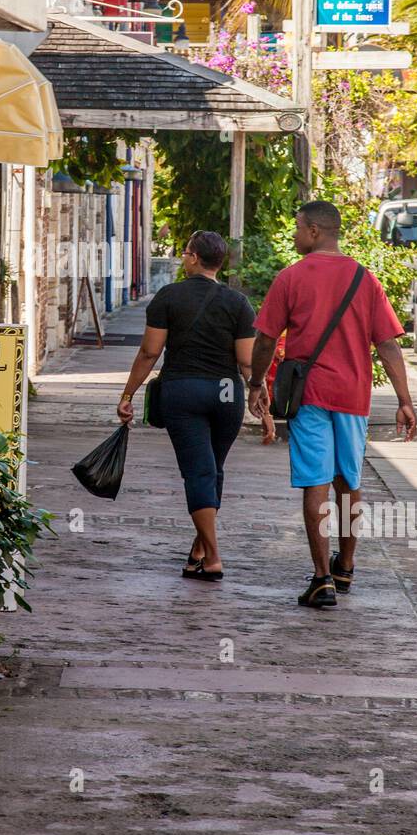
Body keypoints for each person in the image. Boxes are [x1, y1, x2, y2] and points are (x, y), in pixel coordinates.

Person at [247, 200, 417, 609]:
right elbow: (388, 345)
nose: (293, 235)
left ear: (314, 231)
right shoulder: (365, 279)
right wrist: (404, 401)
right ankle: (347, 566)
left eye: (297, 227)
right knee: (350, 483)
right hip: (354, 397)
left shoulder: (291, 277)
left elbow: (266, 338)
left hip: (310, 396)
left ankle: (322, 578)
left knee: (315, 483)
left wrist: (256, 382)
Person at [117, 230, 273, 582]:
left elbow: (149, 352)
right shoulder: (238, 303)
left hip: (182, 391)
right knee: (212, 469)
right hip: (225, 393)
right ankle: (198, 552)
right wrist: (259, 395)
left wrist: (127, 395)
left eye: (186, 252)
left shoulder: (169, 297)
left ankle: (213, 557)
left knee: (200, 471)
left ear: (192, 258)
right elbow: (247, 362)